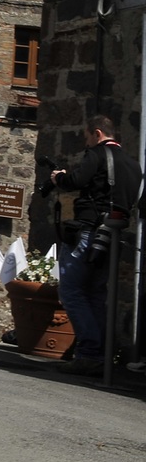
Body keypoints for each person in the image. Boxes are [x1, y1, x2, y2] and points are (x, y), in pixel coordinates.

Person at [49, 115, 142, 375]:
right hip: (113, 236)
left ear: (98, 133)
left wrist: (59, 178)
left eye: (87, 136)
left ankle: (89, 352)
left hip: (90, 231)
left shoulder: (98, 154)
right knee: (97, 294)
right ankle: (100, 354)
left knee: (72, 291)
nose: (86, 142)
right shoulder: (135, 166)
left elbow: (77, 181)